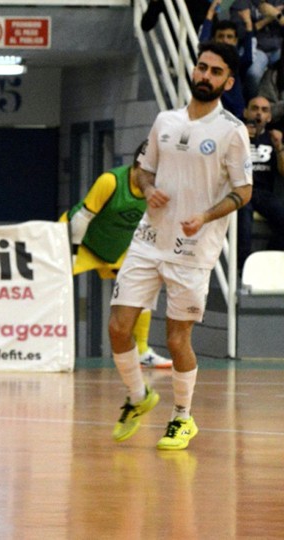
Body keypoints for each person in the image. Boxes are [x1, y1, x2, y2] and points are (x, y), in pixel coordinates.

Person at [108, 41, 251, 451]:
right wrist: (149, 189)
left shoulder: (231, 131)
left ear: (228, 81)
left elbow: (244, 191)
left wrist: (205, 217)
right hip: (149, 239)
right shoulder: (164, 120)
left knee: (176, 340)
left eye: (215, 71)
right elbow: (143, 171)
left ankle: (182, 418)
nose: (205, 75)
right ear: (193, 71)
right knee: (118, 328)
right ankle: (138, 398)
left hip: (193, 249)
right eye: (201, 67)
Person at [61, 142, 173, 370]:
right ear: (141, 165)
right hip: (79, 241)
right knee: (52, 287)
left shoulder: (158, 190)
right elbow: (82, 218)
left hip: (115, 248)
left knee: (142, 291)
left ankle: (142, 351)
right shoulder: (110, 181)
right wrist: (71, 253)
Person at [238, 95, 284, 262]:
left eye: (264, 110)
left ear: (269, 117)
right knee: (244, 215)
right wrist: (239, 137)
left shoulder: (273, 138)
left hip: (264, 193)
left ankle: (265, 261)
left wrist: (279, 148)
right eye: (254, 108)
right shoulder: (235, 135)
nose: (259, 113)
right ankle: (242, 266)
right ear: (245, 112)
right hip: (241, 189)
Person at [199, 6, 253, 120]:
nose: (225, 40)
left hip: (236, 113)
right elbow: (203, 43)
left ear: (235, 41)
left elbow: (248, 58)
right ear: (214, 39)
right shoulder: (208, 59)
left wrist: (248, 25)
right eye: (221, 36)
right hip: (214, 111)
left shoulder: (236, 61)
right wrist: (210, 13)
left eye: (229, 37)